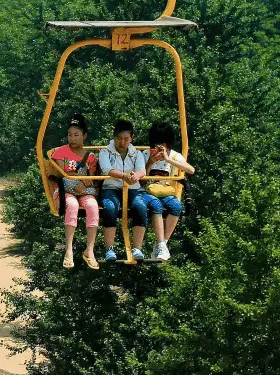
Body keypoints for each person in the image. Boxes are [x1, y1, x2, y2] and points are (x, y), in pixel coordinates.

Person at [98, 119, 165, 262]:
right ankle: (109, 249)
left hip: (133, 188)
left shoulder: (136, 154)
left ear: (131, 138)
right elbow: (106, 169)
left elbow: (141, 170)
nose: (122, 142)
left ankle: (137, 248)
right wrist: (124, 176)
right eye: (119, 138)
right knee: (110, 207)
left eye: (126, 139)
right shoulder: (105, 152)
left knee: (140, 206)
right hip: (111, 187)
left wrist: (136, 176)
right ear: (114, 137)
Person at [51, 114, 100, 269]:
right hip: (66, 190)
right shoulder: (61, 152)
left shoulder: (90, 157)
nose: (72, 138)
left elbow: (91, 179)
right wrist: (79, 178)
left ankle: (89, 249)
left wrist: (83, 181)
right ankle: (69, 249)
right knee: (71, 205)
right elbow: (61, 173)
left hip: (83, 191)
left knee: (92, 206)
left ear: (84, 136)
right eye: (70, 135)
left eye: (76, 135)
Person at [144, 121, 196, 259]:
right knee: (156, 205)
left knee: (176, 206)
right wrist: (151, 162)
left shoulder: (174, 156)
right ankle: (161, 243)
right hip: (148, 191)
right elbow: (141, 176)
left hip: (166, 191)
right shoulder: (146, 154)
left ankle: (162, 244)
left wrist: (168, 160)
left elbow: (191, 170)